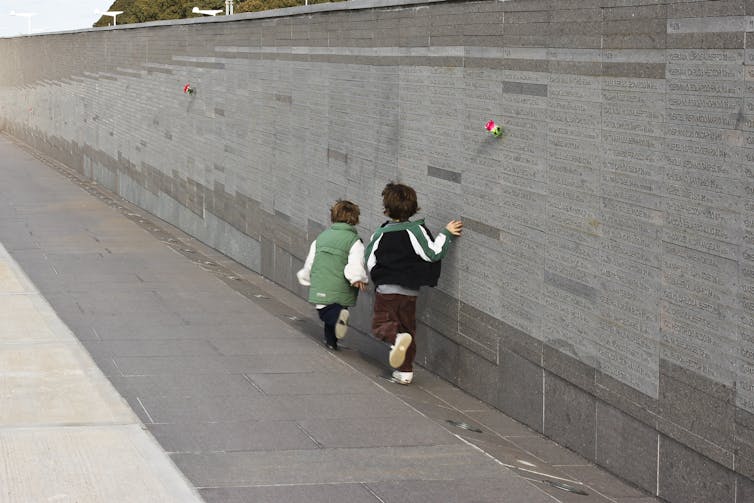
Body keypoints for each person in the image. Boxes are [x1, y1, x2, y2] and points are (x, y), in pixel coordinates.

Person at [364, 182, 462, 384]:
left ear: (386, 210)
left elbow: (369, 258)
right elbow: (433, 253)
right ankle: (405, 372)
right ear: (415, 208)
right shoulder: (417, 231)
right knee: (407, 330)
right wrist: (446, 233)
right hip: (410, 293)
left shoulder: (380, 233)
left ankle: (395, 339)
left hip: (387, 291)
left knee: (381, 325)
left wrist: (375, 275)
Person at [297, 200, 368, 350]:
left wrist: (306, 275)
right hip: (341, 286)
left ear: (333, 216)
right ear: (355, 219)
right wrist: (357, 278)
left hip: (322, 283)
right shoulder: (354, 241)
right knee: (338, 312)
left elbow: (311, 261)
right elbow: (356, 262)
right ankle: (332, 341)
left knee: (325, 312)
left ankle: (332, 337)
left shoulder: (321, 238)